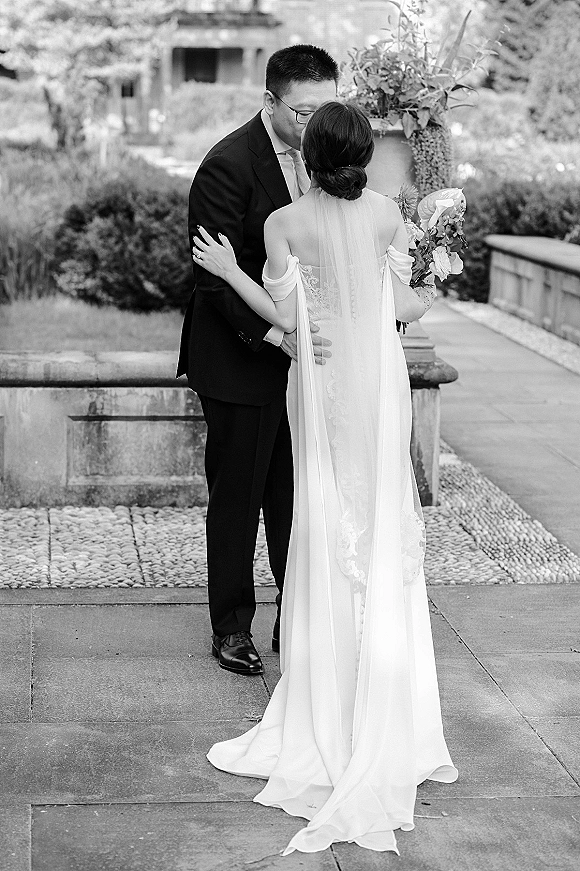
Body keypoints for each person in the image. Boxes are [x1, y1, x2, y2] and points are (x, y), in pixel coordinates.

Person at [191, 101, 458, 856]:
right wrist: (436, 269)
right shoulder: (387, 217)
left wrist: (229, 269)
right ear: (365, 156)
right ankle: (386, 702)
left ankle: (326, 696)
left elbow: (285, 319)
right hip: (377, 390)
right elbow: (407, 303)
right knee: (378, 524)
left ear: (308, 156)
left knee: (322, 515)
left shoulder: (284, 223)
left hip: (320, 387)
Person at [176, 45, 338, 676]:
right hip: (240, 359)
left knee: (293, 498)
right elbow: (214, 281)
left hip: (304, 365)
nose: (316, 124)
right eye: (304, 112)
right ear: (270, 101)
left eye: (327, 109)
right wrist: (277, 337)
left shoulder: (325, 158)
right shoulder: (227, 165)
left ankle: (293, 620)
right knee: (239, 500)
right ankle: (231, 629)